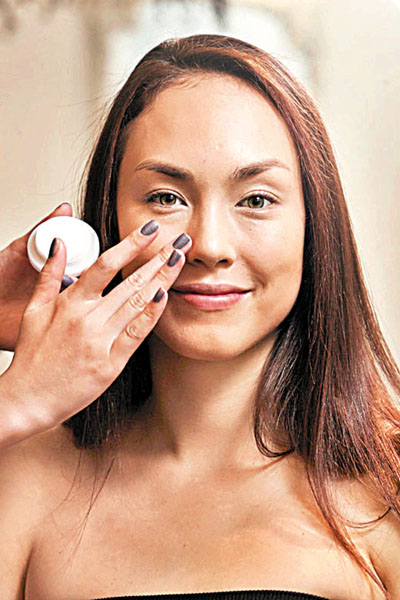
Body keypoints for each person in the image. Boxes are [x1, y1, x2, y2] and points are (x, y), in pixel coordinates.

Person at [0, 33, 399, 600]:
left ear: (314, 226)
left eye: (256, 200)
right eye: (166, 197)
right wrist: (16, 403)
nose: (209, 245)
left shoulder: (388, 484)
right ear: (108, 221)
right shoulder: (24, 473)